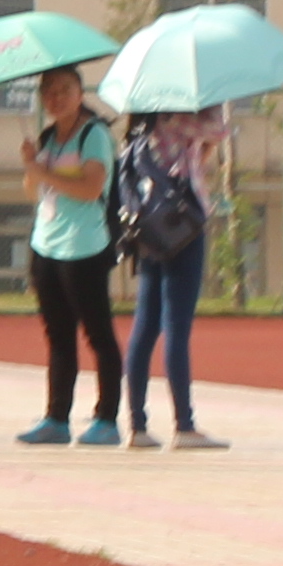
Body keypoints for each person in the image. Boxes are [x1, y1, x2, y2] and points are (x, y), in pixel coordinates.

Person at [16, 63, 124, 447]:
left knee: (98, 334)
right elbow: (35, 192)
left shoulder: (94, 135)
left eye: (64, 89)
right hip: (46, 245)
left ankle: (107, 419)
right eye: (48, 91)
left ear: (80, 94)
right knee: (58, 336)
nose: (55, 98)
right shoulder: (48, 137)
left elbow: (92, 188)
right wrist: (32, 165)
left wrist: (43, 174)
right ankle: (56, 417)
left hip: (85, 248)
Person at [118, 99, 229, 449]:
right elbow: (219, 130)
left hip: (149, 227)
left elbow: (197, 155)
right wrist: (215, 102)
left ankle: (137, 424)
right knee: (176, 326)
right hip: (182, 226)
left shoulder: (142, 124)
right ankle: (184, 425)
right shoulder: (181, 118)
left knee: (145, 324)